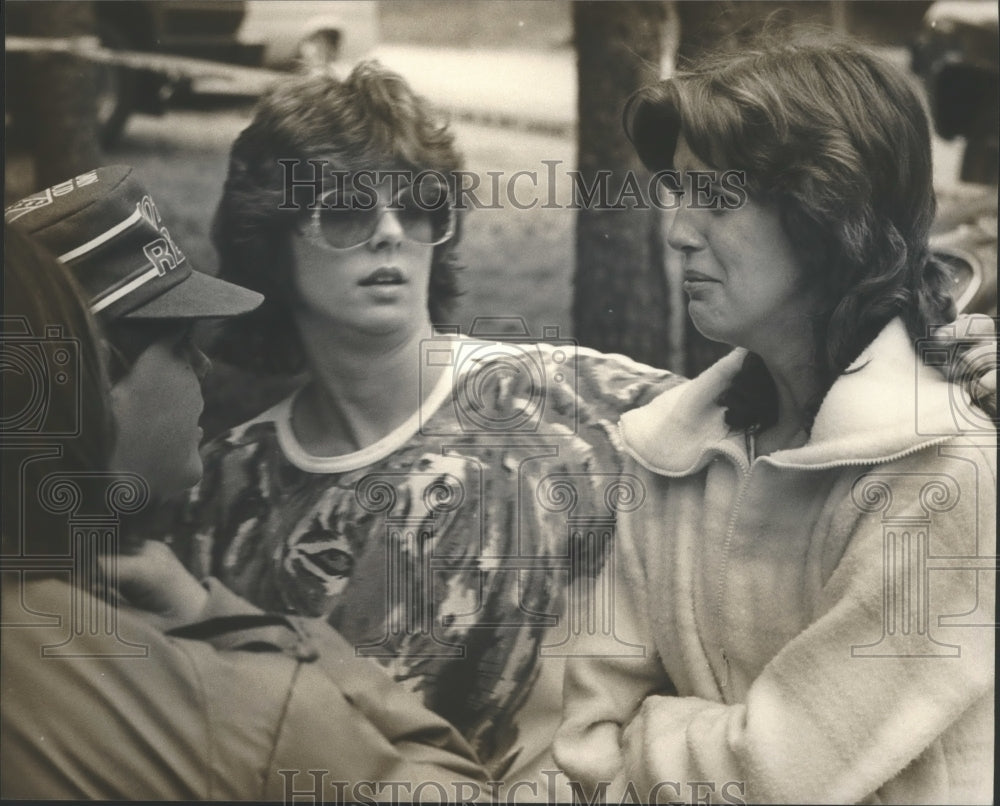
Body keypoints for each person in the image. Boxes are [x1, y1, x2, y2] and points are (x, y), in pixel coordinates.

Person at [154, 61, 684, 795]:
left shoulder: (577, 400)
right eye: (344, 210)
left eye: (420, 205)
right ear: (269, 238)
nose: (390, 232)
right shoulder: (223, 494)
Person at [554, 34, 996, 804]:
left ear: (827, 212)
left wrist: (654, 741)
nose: (678, 230)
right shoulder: (666, 449)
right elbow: (586, 747)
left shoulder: (945, 468)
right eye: (678, 191)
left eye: (718, 197)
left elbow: (777, 774)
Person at [1, 168, 489, 800]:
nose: (202, 363)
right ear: (94, 382)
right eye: (179, 344)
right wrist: (222, 618)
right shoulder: (224, 709)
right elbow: (451, 781)